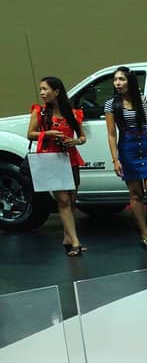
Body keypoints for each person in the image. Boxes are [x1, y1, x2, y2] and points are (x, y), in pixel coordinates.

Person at [103, 66, 147, 249]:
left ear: (130, 81)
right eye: (115, 79)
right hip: (127, 148)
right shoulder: (111, 104)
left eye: (122, 79)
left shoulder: (144, 101)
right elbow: (111, 134)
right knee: (136, 194)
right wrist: (115, 159)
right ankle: (144, 233)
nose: (118, 83)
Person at [27, 76, 87, 256]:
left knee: (72, 200)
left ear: (57, 92)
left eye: (45, 89)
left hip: (70, 158)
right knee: (62, 201)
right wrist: (48, 133)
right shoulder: (40, 112)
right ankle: (75, 241)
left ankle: (67, 238)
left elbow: (83, 137)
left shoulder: (74, 113)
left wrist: (75, 140)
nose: (42, 93)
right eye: (41, 90)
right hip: (51, 159)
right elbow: (30, 134)